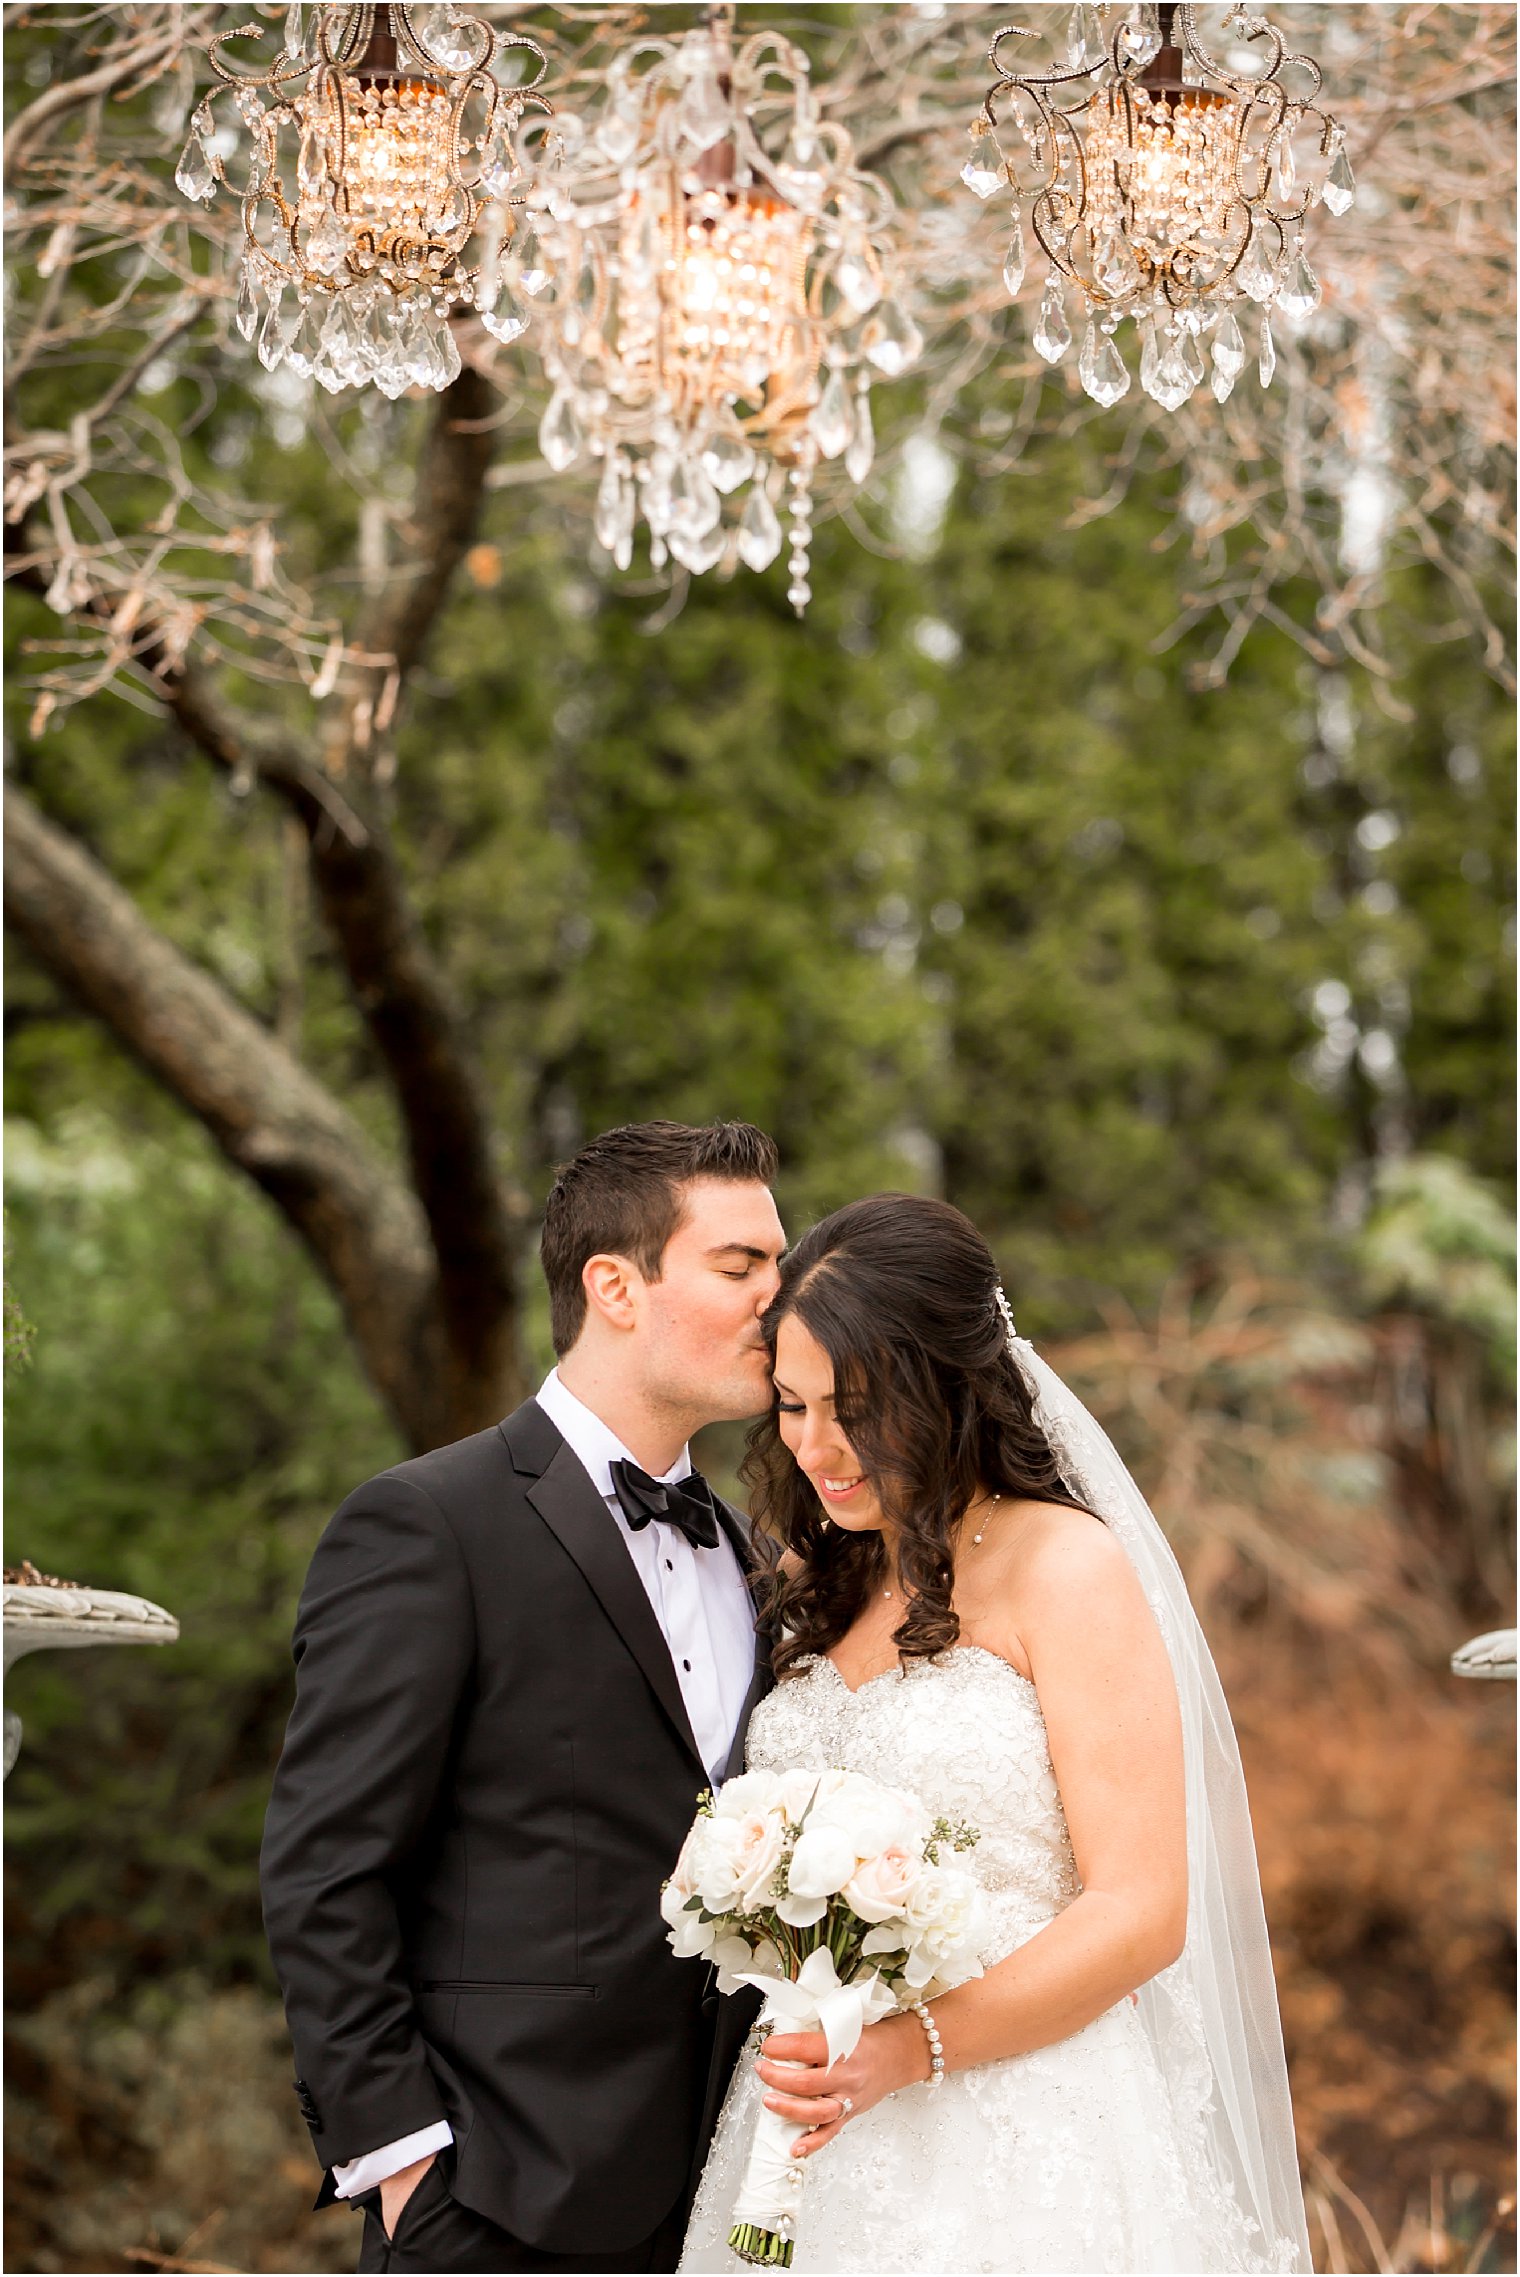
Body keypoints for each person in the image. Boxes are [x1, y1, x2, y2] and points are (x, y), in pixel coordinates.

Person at [681, 1193, 1312, 2276]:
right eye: (790, 1405)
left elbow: (1141, 1908)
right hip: (808, 2116)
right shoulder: (812, 1575)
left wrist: (908, 2051)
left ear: (950, 1387)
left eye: (856, 1407)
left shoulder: (1065, 1568)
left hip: (1027, 2122)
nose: (817, 1447)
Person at [260, 1119, 787, 2274]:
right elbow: (326, 1873)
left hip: (739, 2195)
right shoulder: (427, 1524)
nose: (778, 1303)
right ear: (615, 1286)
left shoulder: (759, 1560)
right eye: (741, 1267)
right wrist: (403, 2166)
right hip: (497, 2198)